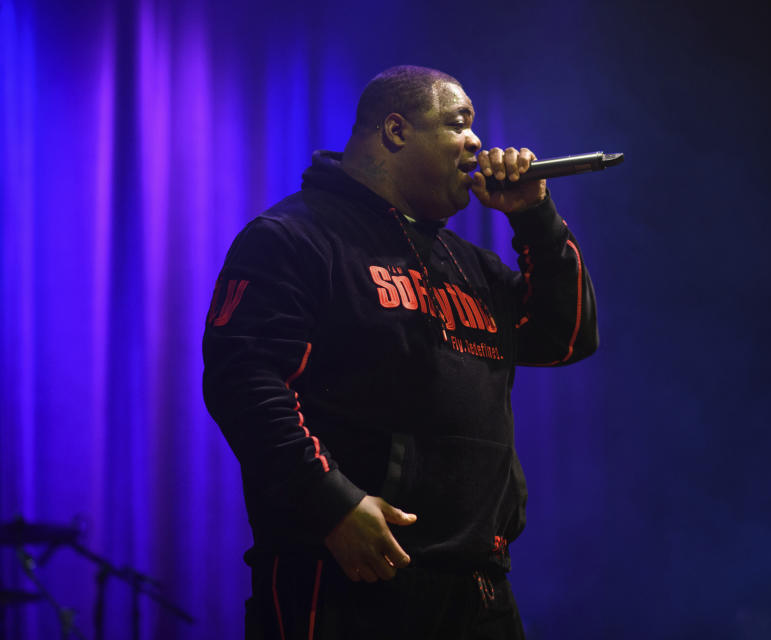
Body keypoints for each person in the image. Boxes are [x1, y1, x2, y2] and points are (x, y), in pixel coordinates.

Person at [203, 65, 598, 639]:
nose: (477, 144)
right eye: (459, 124)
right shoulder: (293, 237)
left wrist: (535, 217)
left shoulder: (467, 263)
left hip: (478, 586)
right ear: (395, 130)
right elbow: (245, 381)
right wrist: (332, 503)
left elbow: (566, 339)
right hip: (352, 578)